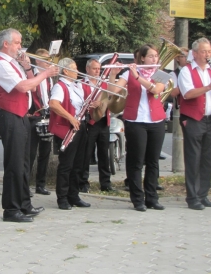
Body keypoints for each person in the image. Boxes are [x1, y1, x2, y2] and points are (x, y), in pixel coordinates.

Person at [0, 28, 58, 222]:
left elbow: (33, 85)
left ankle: (24, 204)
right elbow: (22, 87)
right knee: (14, 164)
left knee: (24, 163)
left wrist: (28, 67)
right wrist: (45, 74)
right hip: (10, 116)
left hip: (22, 116)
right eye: (18, 43)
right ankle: (11, 210)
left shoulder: (14, 64)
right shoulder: (1, 65)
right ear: (6, 44)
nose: (21, 47)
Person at [108, 44, 166, 212]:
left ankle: (152, 197)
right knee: (136, 162)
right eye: (151, 56)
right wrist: (113, 74)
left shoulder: (160, 74)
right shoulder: (128, 73)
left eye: (156, 56)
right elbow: (113, 91)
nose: (154, 59)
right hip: (135, 121)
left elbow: (155, 90)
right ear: (142, 58)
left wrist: (138, 77)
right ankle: (138, 199)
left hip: (156, 121)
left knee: (153, 162)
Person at [177, 37, 211, 210]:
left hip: (209, 119)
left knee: (207, 158)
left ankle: (203, 195)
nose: (208, 54)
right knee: (193, 158)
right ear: (195, 53)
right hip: (192, 119)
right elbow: (188, 94)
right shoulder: (186, 71)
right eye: (205, 51)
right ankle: (192, 197)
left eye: (210, 51)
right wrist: (209, 86)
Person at [49, 58, 92, 210]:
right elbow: (54, 104)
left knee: (78, 164)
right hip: (67, 130)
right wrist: (71, 118)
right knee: (66, 165)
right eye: (74, 68)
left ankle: (74, 195)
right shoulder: (59, 86)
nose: (77, 71)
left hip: (80, 128)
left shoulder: (76, 86)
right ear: (66, 71)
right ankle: (62, 198)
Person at [78, 59, 113, 193]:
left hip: (104, 121)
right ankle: (83, 182)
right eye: (94, 69)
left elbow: (111, 99)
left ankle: (105, 182)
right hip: (89, 122)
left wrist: (104, 102)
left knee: (104, 153)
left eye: (99, 69)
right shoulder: (81, 84)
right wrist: (91, 104)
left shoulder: (104, 83)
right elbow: (79, 101)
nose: (97, 71)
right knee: (86, 154)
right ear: (87, 69)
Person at [28, 48, 54, 196]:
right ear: (37, 61)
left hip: (46, 116)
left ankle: (41, 185)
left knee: (45, 153)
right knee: (30, 153)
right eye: (45, 60)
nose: (48, 63)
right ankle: (25, 185)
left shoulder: (49, 78)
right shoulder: (31, 74)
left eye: (49, 60)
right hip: (34, 116)